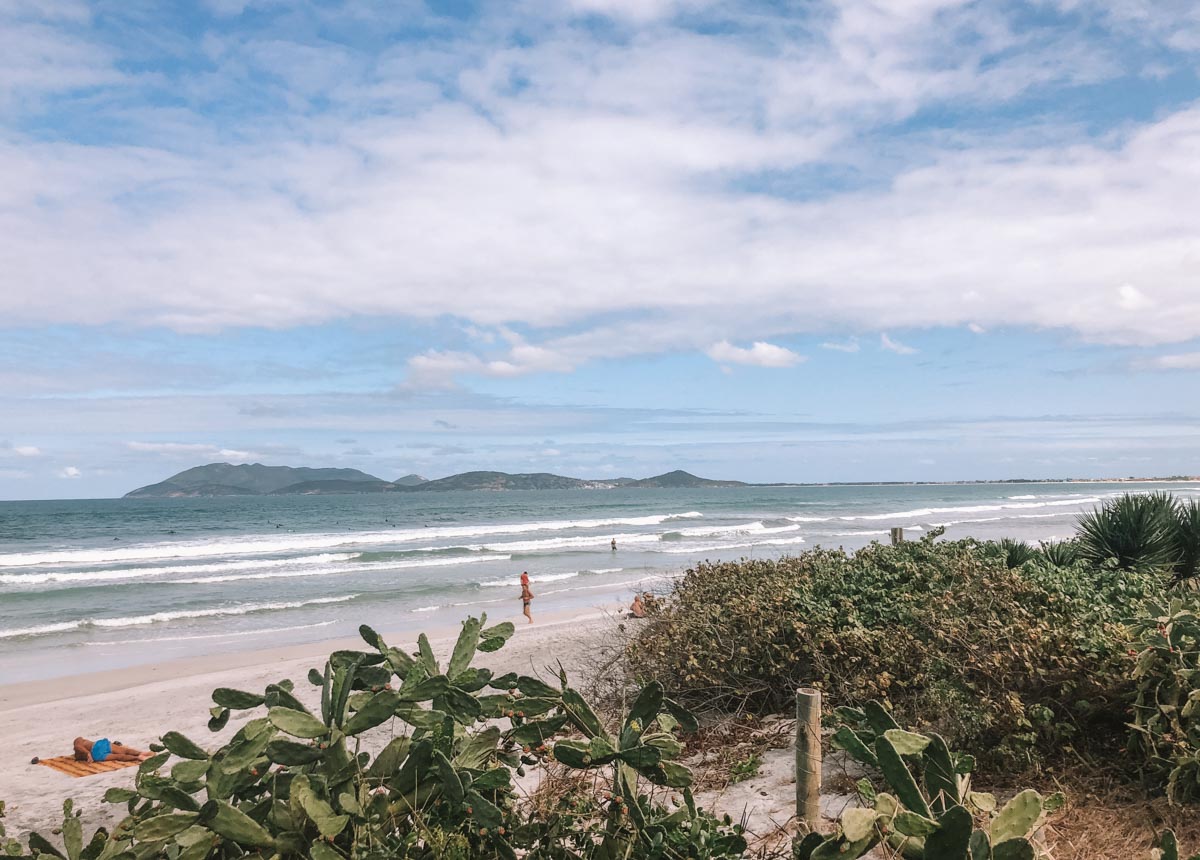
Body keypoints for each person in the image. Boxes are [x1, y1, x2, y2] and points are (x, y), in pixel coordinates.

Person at [72, 737, 152, 763]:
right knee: (124, 751)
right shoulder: (79, 740)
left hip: (97, 753)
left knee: (119, 756)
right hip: (98, 746)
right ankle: (141, 753)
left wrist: (87, 754)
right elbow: (77, 746)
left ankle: (139, 757)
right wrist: (88, 753)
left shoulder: (78, 754)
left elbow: (77, 748)